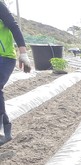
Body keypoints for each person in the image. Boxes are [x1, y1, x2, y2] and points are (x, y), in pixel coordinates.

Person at [0, 2, 31, 146]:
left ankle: (2, 131)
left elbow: (13, 26)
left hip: (4, 57)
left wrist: (23, 53)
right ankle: (6, 130)